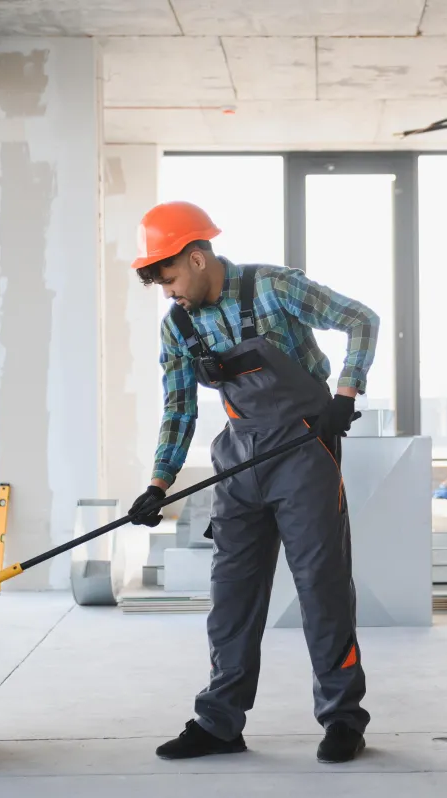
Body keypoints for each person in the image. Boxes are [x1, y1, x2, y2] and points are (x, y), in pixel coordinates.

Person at [126, 200, 379, 764]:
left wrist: (345, 395)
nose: (169, 292)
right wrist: (159, 484)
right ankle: (219, 723)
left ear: (195, 257)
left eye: (169, 278)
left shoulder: (273, 287)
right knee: (232, 595)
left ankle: (342, 718)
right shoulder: (179, 326)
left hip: (304, 450)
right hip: (239, 459)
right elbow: (179, 407)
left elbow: (361, 319)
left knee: (322, 586)